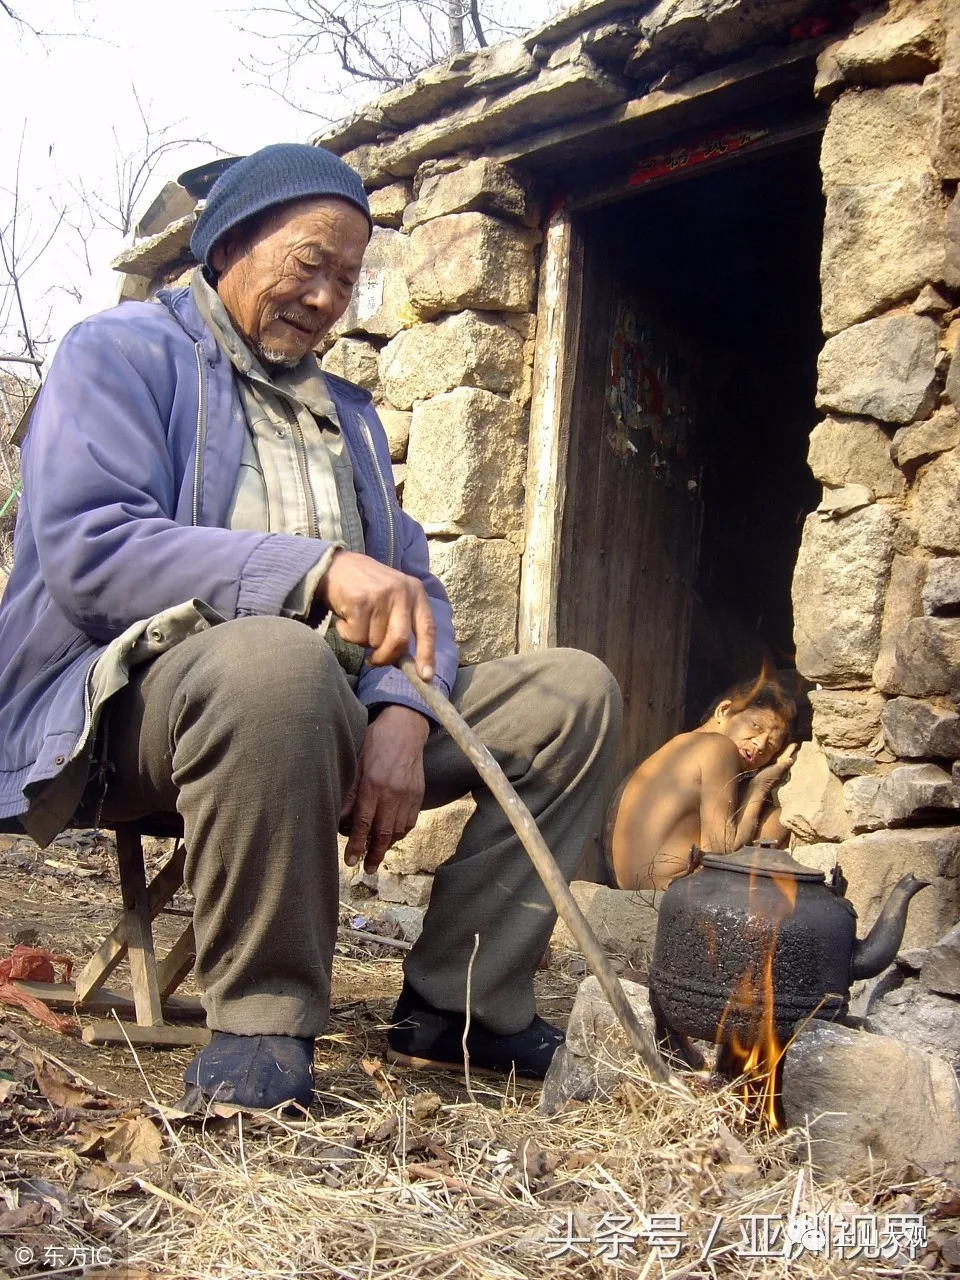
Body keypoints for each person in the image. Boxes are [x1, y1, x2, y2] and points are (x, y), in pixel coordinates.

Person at [0, 144, 622, 1108]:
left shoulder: (350, 417)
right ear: (229, 247)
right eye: (309, 263)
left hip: (329, 709)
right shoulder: (118, 353)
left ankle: (463, 1004)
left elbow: (415, 586)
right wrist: (314, 568)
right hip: (142, 714)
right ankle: (261, 1022)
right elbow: (93, 554)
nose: (329, 298)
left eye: (347, 277)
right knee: (276, 660)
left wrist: (401, 714)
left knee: (570, 693)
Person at [603, 675, 796, 893]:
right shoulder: (719, 747)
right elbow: (721, 854)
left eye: (771, 745)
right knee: (777, 821)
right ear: (724, 710)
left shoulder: (683, 745)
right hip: (669, 892)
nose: (760, 745)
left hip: (628, 887)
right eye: (756, 726)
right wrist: (760, 787)